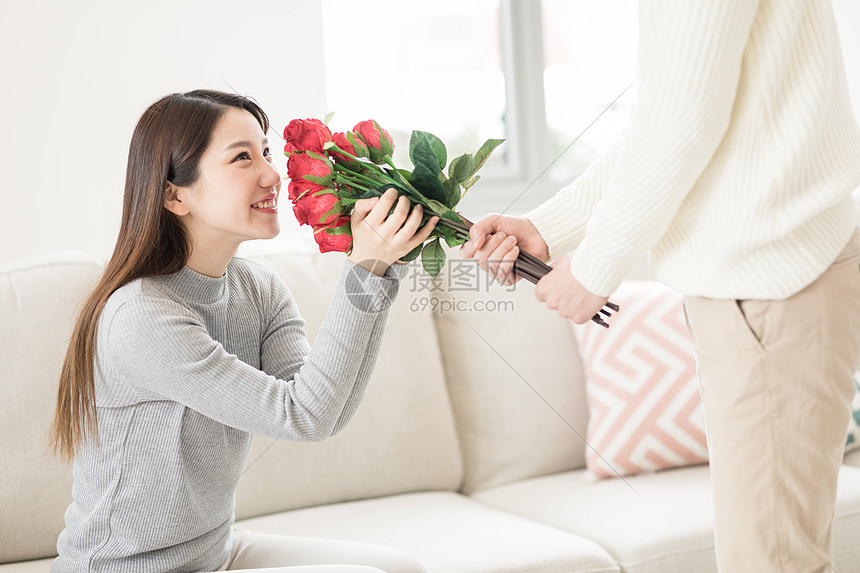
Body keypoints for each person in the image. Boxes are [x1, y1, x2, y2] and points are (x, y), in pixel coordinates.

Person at [461, 1, 860, 571]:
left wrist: (594, 270)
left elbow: (681, 119)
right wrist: (548, 229)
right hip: (776, 278)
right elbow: (665, 116)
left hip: (773, 282)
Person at [48, 89, 437, 573]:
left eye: (266, 152)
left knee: (402, 568)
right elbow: (303, 416)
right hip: (130, 568)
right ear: (174, 194)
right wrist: (366, 267)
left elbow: (323, 410)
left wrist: (381, 267)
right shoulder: (142, 315)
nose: (273, 175)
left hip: (214, 552)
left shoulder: (258, 288)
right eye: (241, 158)